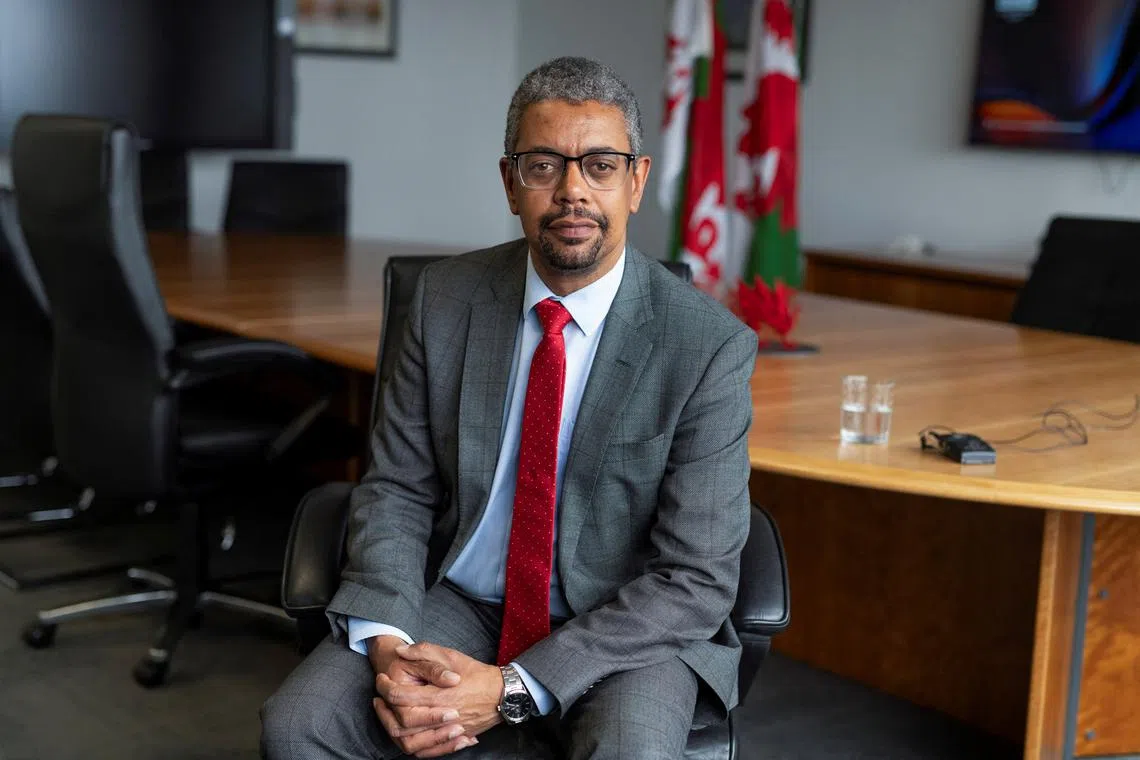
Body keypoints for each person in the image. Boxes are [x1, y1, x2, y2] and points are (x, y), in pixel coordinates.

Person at [260, 56, 757, 760]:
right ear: (509, 183)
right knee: (299, 725)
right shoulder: (443, 300)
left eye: (601, 166)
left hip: (625, 628)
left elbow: (695, 578)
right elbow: (398, 488)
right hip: (459, 600)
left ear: (637, 182)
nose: (572, 191)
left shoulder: (707, 346)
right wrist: (388, 641)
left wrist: (511, 688)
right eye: (544, 166)